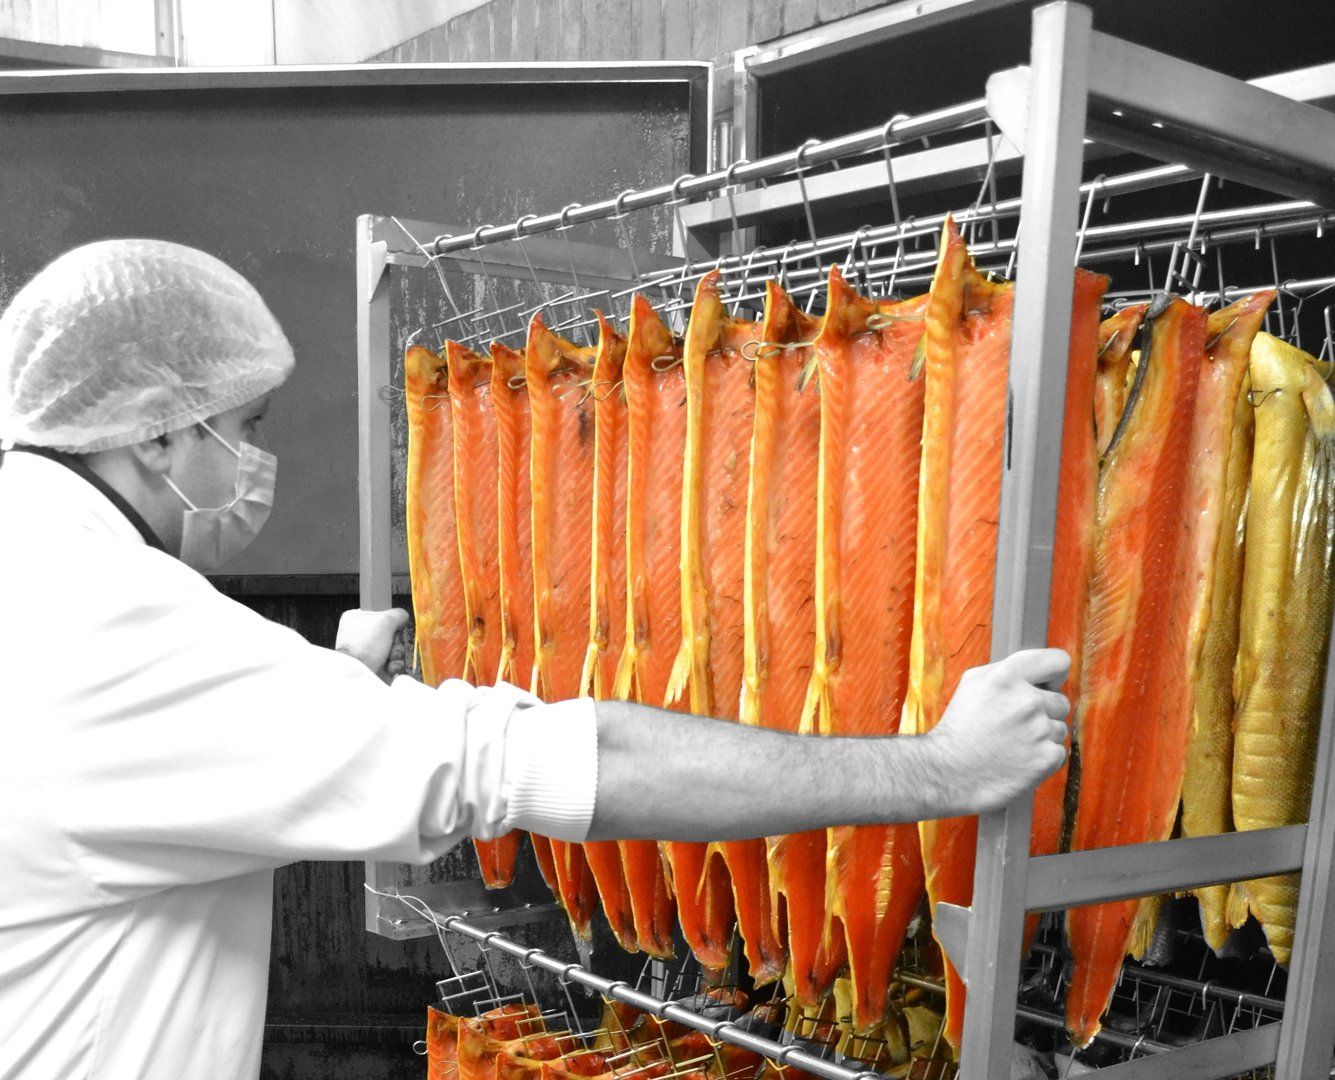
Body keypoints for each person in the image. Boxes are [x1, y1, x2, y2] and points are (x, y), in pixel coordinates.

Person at [0, 240, 1069, 1080]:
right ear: (150, 436)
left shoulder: (42, 574)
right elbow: (546, 761)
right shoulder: (108, 627)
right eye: (241, 427)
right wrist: (939, 768)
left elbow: (154, 753)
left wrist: (330, 681)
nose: (252, 461)